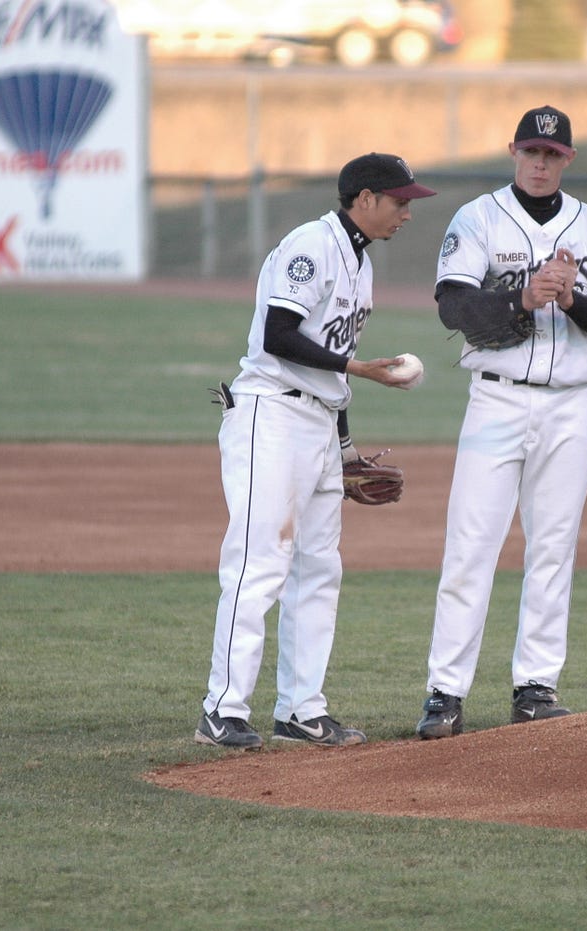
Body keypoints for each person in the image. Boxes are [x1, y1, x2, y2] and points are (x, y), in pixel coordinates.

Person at [197, 153, 436, 750]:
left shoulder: (360, 263)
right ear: (364, 198)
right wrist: (358, 367)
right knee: (260, 563)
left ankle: (301, 711)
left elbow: (331, 374)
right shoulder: (313, 245)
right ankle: (220, 711)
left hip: (320, 427)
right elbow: (280, 335)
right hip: (270, 415)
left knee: (318, 569)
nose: (407, 211)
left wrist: (347, 447)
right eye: (399, 200)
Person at [416, 105, 587, 739]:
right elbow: (453, 306)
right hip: (497, 399)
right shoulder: (477, 217)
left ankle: (536, 688)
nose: (541, 163)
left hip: (570, 404)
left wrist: (569, 298)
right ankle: (444, 694)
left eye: (553, 155)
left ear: (569, 160)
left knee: (553, 548)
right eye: (532, 152)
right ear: (513, 151)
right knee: (471, 547)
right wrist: (523, 298)